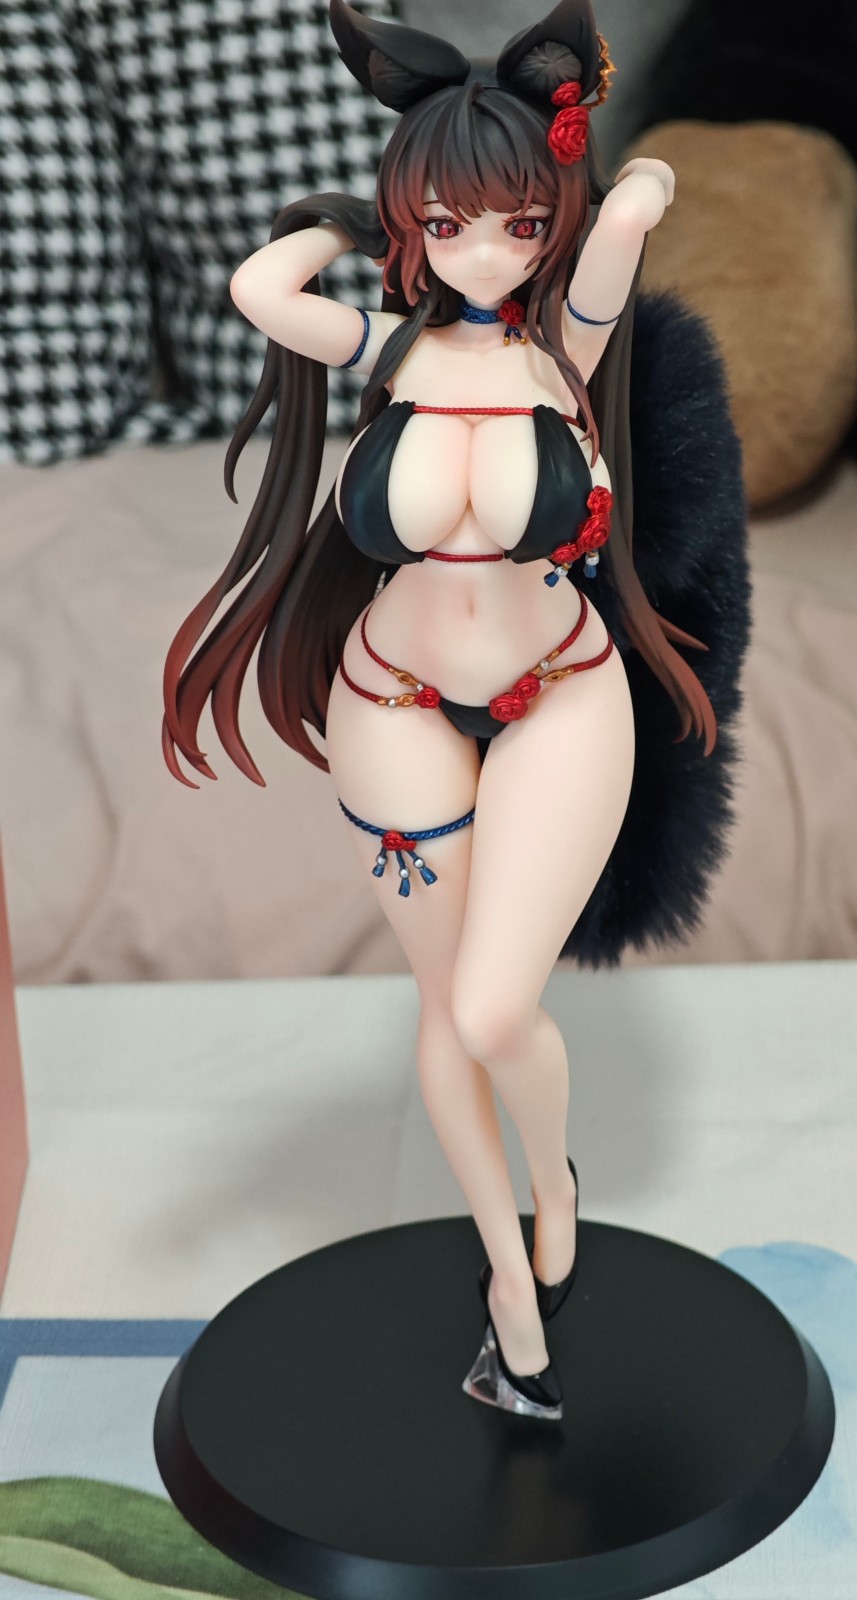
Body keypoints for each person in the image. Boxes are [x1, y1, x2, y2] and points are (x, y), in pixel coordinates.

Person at [162, 0, 727, 1421]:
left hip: (558, 695)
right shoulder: (383, 349)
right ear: (415, 225)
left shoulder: (566, 350)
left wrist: (630, 184)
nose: (487, 254)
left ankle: (555, 1183)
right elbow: (260, 288)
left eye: (517, 226)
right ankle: (508, 1287)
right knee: (444, 1008)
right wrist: (366, 219)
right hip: (395, 697)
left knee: (491, 1006)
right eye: (451, 225)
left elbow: (625, 221)